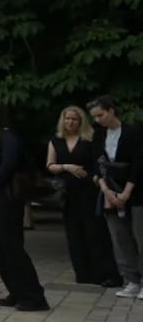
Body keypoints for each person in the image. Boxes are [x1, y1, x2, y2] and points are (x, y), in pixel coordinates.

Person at [0, 99, 49, 311]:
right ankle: (15, 291)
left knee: (12, 246)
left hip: (6, 196)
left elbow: (8, 166)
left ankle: (33, 296)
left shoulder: (8, 137)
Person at [47, 105, 120, 287]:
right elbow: (50, 165)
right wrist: (67, 167)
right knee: (74, 234)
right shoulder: (56, 141)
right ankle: (83, 273)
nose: (70, 122)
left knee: (95, 233)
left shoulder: (90, 139)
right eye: (67, 118)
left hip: (88, 190)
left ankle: (104, 273)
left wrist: (97, 180)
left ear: (81, 121)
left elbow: (98, 163)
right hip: (68, 193)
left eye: (74, 119)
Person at [87, 95, 143, 300]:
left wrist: (127, 192)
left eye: (100, 115)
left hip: (136, 191)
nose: (98, 120)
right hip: (109, 190)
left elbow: (139, 163)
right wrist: (106, 190)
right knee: (120, 237)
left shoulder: (133, 132)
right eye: (94, 117)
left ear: (111, 110)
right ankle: (132, 280)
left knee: (140, 235)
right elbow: (96, 164)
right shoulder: (99, 135)